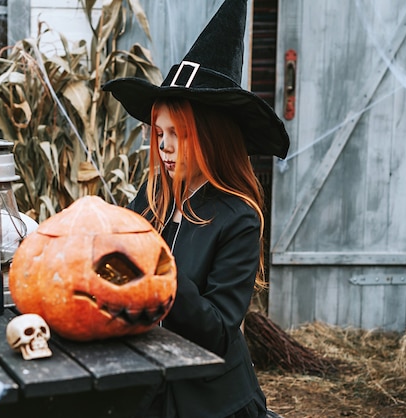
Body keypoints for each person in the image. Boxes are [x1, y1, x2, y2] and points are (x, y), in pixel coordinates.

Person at [103, 0, 289, 417]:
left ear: (212, 137)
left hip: (208, 397)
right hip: (148, 371)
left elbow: (220, 330)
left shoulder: (238, 217)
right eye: (159, 133)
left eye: (179, 134)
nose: (165, 147)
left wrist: (158, 266)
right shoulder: (154, 194)